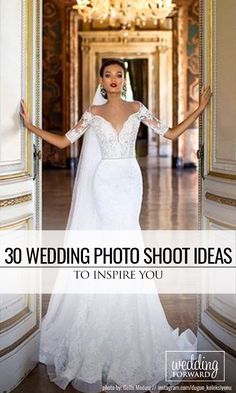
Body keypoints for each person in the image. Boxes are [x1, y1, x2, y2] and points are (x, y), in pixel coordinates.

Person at [20, 58, 212, 392]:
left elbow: (170, 134)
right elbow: (65, 142)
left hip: (129, 180)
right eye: (108, 75)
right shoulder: (92, 114)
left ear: (124, 80)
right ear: (100, 79)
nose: (113, 79)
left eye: (118, 75)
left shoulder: (138, 107)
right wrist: (30, 126)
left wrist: (200, 109)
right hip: (104, 180)